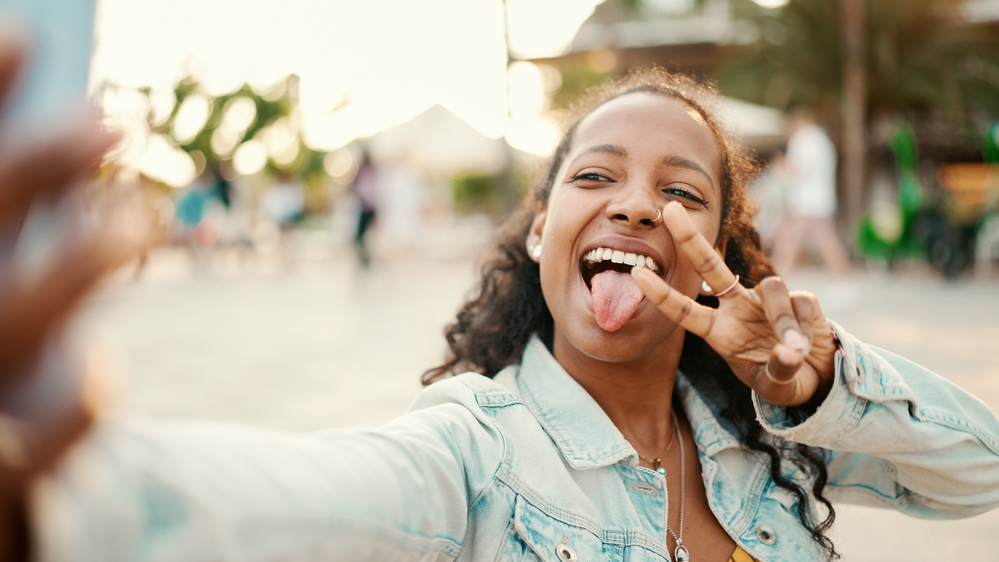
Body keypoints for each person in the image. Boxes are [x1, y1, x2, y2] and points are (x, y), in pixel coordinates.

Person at [1, 38, 997, 562]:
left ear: (715, 259)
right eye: (596, 176)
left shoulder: (764, 435)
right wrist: (52, 508)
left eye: (682, 192)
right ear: (538, 229)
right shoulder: (468, 456)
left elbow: (980, 470)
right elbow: (284, 501)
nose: (639, 205)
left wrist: (820, 381)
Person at [771, 109, 852, 278]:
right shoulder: (822, 140)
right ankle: (844, 279)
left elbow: (797, 170)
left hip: (806, 202)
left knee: (791, 240)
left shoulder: (803, 139)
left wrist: (780, 164)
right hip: (820, 200)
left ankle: (774, 278)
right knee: (820, 241)